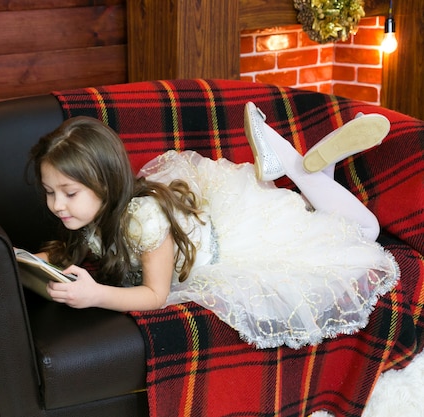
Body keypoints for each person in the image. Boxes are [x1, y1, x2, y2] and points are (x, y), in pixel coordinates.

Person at [27, 102, 399, 349]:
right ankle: (307, 168)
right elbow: (74, 247)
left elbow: (155, 296)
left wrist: (97, 296)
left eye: (68, 193)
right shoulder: (89, 212)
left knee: (362, 232)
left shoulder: (143, 220)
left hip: (239, 243)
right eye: (49, 192)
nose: (56, 205)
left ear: (104, 184)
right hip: (216, 221)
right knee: (313, 210)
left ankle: (293, 162)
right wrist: (32, 261)